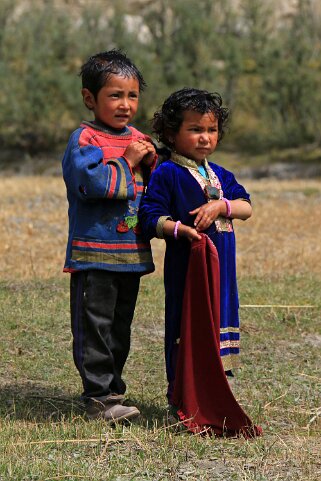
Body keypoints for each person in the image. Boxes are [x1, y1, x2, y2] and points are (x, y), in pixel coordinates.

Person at [139, 88, 261, 436]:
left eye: (211, 130)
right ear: (172, 133)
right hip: (188, 270)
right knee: (186, 326)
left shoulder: (221, 174)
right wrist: (179, 230)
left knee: (219, 321)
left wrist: (222, 206)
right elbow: (150, 217)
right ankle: (182, 398)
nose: (205, 138)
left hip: (222, 269)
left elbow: (247, 207)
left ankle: (214, 395)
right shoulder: (167, 174)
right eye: (195, 129)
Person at [62, 50, 156, 423]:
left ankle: (113, 391)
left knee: (120, 326)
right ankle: (99, 398)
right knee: (94, 327)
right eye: (115, 96)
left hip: (130, 254)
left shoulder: (138, 139)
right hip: (94, 253)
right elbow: (89, 183)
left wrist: (153, 163)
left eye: (132, 96)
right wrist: (129, 161)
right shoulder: (84, 139)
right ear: (90, 98)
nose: (125, 105)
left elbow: (153, 187)